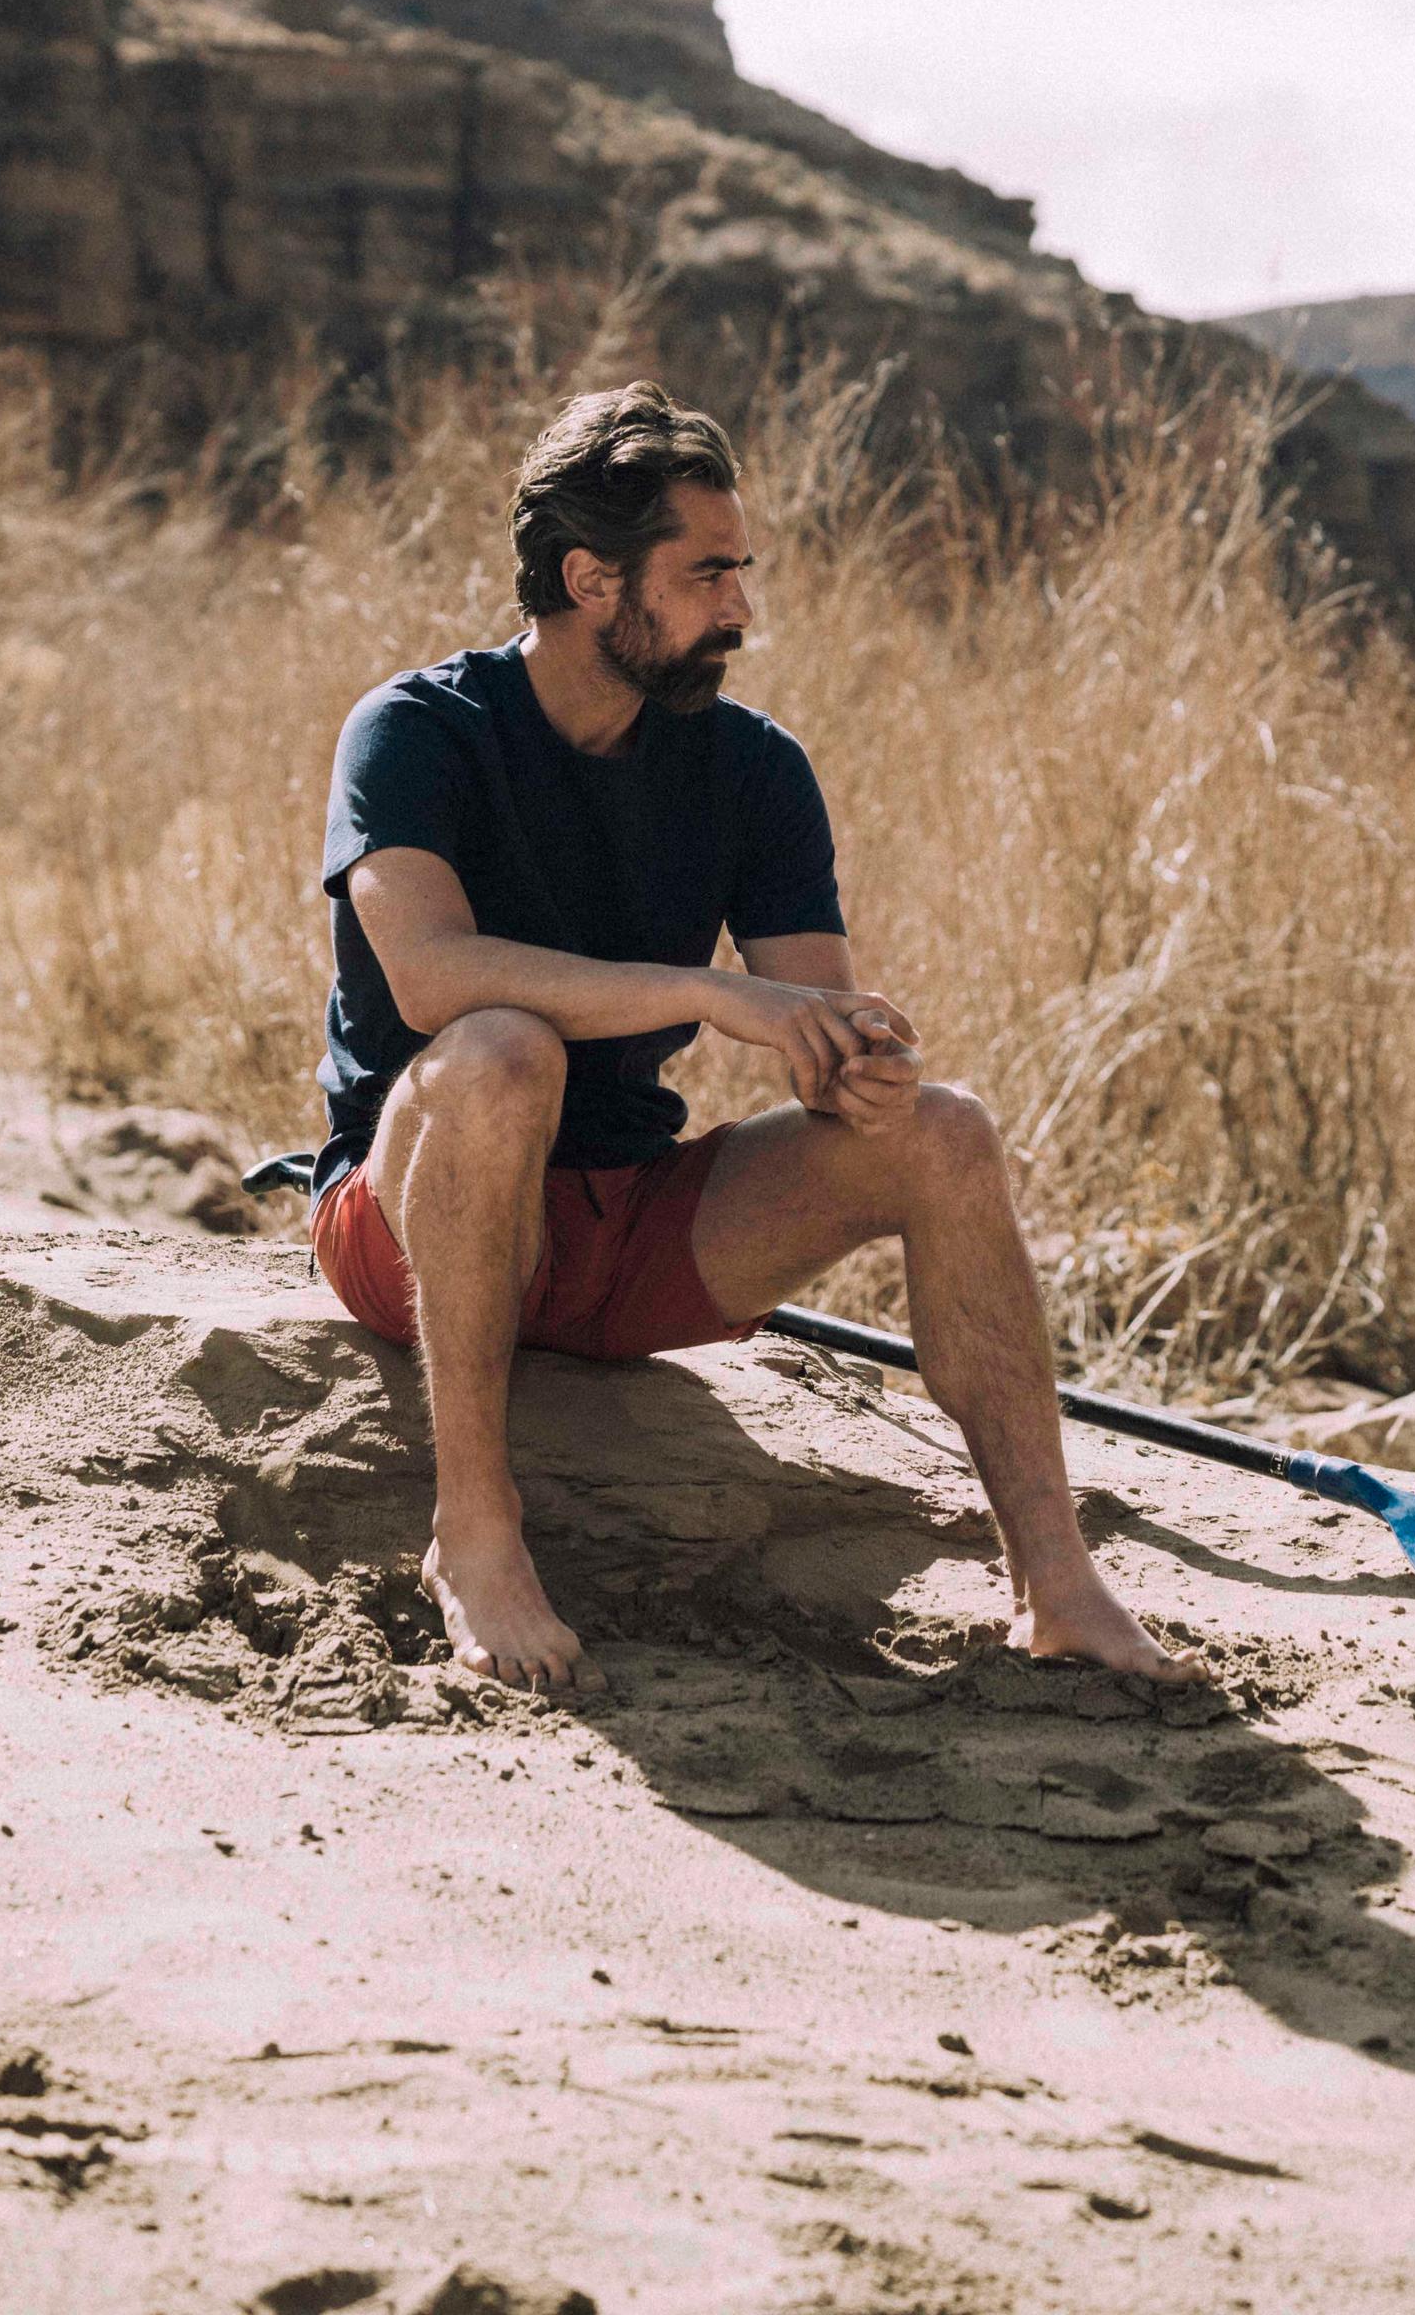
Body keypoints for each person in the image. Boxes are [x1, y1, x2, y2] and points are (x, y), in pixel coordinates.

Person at [310, 380, 1205, 1694]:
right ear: (589, 578)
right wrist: (712, 996)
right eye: (709, 573)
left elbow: (817, 1024)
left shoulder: (750, 765)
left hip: (623, 1231)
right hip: (417, 1220)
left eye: (742, 571)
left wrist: (853, 1053)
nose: (742, 608)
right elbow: (433, 975)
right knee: (506, 1053)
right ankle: (476, 1530)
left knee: (946, 1134)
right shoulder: (417, 732)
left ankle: (1057, 1581)